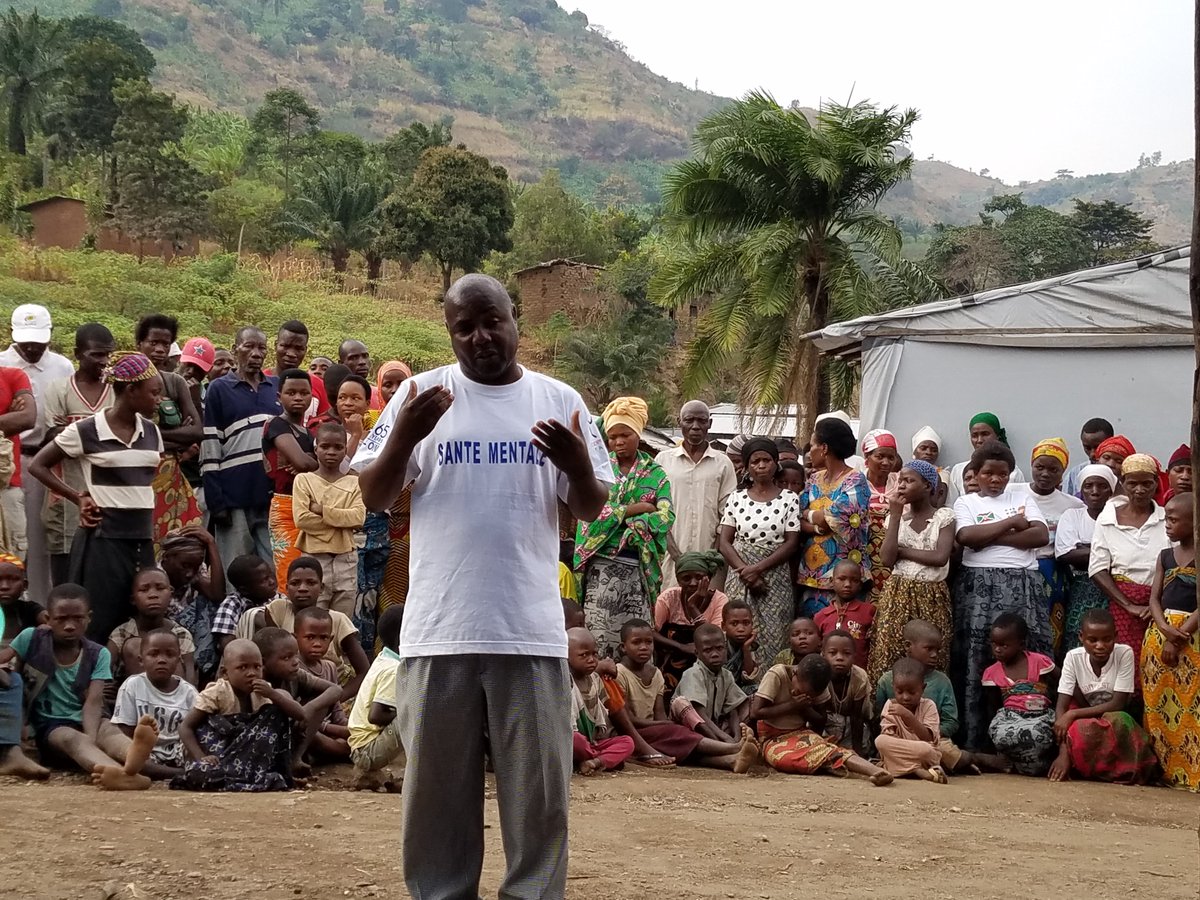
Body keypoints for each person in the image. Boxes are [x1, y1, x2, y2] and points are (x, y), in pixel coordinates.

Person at [351, 273, 611, 899]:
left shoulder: (558, 400)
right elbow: (376, 495)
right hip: (439, 632)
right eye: (463, 327)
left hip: (530, 633)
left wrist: (577, 466)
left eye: (491, 320)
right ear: (450, 331)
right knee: (437, 801)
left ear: (514, 319)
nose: (480, 337)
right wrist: (407, 435)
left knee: (539, 801)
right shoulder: (419, 395)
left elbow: (591, 507)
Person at [29, 352, 164, 643]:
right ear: (131, 391)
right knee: (102, 618)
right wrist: (78, 497)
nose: (159, 399)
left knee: (142, 619)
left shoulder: (152, 431)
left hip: (142, 538)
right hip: (105, 539)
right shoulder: (86, 430)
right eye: (154, 392)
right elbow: (37, 465)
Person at [951, 439, 1051, 750]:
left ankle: (1032, 737)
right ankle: (977, 741)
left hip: (1022, 585)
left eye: (1003, 474)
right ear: (976, 474)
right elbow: (967, 537)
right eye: (989, 474)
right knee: (976, 658)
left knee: (1024, 655)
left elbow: (1040, 534)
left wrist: (991, 538)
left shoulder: (1022, 496)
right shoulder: (965, 503)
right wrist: (1010, 525)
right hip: (977, 587)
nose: (996, 480)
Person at [0, 584, 149, 788]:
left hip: (89, 717)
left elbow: (94, 702)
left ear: (88, 618)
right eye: (61, 619)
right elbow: (4, 658)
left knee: (110, 732)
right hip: (51, 725)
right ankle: (117, 771)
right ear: (48, 619)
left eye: (77, 619)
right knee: (74, 739)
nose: (69, 625)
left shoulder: (98, 654)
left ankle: (133, 758)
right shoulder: (31, 638)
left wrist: (92, 736)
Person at [576, 396, 674, 658]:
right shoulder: (597, 470)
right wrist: (637, 509)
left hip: (638, 570)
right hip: (601, 568)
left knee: (636, 638)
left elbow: (665, 516)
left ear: (638, 435)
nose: (618, 441)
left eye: (625, 435)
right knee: (597, 635)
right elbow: (591, 514)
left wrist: (635, 525)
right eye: (612, 436)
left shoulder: (656, 474)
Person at [0, 304, 75, 598]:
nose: (32, 347)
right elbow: (18, 419)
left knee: (47, 539)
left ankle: (42, 605)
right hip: (12, 459)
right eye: (26, 340)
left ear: (51, 335)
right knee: (18, 537)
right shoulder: (3, 363)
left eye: (39, 340)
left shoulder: (62, 366)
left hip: (51, 458)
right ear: (11, 333)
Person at [172, 637, 306, 792]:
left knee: (276, 713)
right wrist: (201, 757)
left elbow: (300, 715)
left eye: (257, 667)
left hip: (244, 761)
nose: (251, 673)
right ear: (225, 673)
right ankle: (247, 779)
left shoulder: (263, 693)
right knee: (200, 774)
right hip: (216, 758)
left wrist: (273, 695)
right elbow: (185, 727)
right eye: (243, 668)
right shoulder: (217, 693)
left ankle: (246, 777)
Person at [875, 619, 1004, 773]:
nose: (934, 655)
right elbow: (879, 719)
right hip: (900, 741)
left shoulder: (942, 682)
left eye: (937, 650)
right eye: (928, 649)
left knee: (945, 751)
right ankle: (938, 767)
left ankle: (971, 758)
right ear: (908, 646)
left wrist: (932, 732)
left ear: (923, 688)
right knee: (882, 743)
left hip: (933, 740)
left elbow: (951, 721)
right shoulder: (887, 680)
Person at [869, 460, 955, 685]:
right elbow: (887, 559)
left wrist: (902, 551)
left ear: (927, 486)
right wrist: (896, 515)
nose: (901, 486)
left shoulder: (943, 518)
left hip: (932, 594)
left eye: (909, 480)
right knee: (892, 649)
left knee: (930, 654)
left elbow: (939, 557)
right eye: (900, 481)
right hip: (897, 593)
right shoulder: (895, 519)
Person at [40, 323, 115, 585]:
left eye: (108, 354)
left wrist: (75, 432)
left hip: (110, 496)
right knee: (65, 575)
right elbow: (52, 437)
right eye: (96, 355)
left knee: (103, 575)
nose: (104, 362)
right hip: (67, 495)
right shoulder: (59, 389)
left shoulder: (117, 389)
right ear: (77, 354)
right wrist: (101, 429)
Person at [616, 618, 745, 769]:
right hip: (632, 732)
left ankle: (731, 760)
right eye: (637, 642)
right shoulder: (619, 673)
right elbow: (629, 720)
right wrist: (667, 725)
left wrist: (665, 725)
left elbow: (660, 715)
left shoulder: (656, 673)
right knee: (677, 733)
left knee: (679, 744)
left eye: (649, 642)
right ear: (623, 647)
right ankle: (734, 748)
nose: (644, 647)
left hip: (655, 731)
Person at [747, 651, 892, 784]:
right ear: (795, 673)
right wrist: (793, 705)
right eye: (801, 691)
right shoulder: (777, 674)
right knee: (786, 760)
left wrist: (804, 708)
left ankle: (876, 771)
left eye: (811, 696)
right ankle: (830, 765)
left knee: (830, 749)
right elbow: (756, 712)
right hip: (772, 738)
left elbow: (821, 720)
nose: (806, 695)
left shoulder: (819, 685)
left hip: (801, 733)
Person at [201, 326, 280, 570]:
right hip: (234, 495)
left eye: (262, 348)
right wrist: (217, 501)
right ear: (236, 349)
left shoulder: (275, 387)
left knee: (274, 569)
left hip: (270, 495)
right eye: (249, 346)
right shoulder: (219, 389)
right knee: (236, 569)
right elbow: (211, 445)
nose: (256, 353)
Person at [1048, 609, 1159, 784]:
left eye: (1107, 639)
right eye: (1092, 640)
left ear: (1116, 636)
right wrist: (1063, 754)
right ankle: (1087, 768)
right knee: (1077, 729)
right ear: (1081, 637)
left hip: (1112, 715)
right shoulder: (1073, 658)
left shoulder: (1124, 653)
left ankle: (1119, 772)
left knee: (1120, 721)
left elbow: (1118, 704)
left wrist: (1073, 714)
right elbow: (1062, 707)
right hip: (1086, 717)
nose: (1100, 646)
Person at [717, 437, 801, 664]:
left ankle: (771, 688)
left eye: (767, 460)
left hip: (774, 576)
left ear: (776, 463)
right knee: (739, 630)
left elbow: (792, 542)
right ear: (746, 466)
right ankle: (738, 687)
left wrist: (758, 569)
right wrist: (746, 572)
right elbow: (724, 541)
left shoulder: (789, 498)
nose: (761, 466)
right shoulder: (737, 498)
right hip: (740, 575)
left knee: (776, 631)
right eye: (755, 461)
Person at [1089, 453, 1170, 681]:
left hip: (1164, 605)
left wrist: (1156, 603)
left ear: (1156, 484)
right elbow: (1097, 568)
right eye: (1132, 483)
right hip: (1123, 605)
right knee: (1127, 669)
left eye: (1147, 483)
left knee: (1161, 668)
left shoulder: (1167, 518)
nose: (1140, 490)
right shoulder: (1107, 520)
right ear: (1122, 483)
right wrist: (1129, 605)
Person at [1141, 492, 1199, 791]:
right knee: (1159, 704)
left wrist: (1179, 636)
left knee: (1192, 705)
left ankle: (1191, 773)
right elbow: (1154, 599)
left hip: (1192, 637)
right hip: (1160, 634)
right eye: (1167, 518)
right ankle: (1164, 770)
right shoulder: (1165, 555)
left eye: (1174, 520)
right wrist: (1164, 628)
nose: (1168, 525)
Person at [255, 557, 370, 702]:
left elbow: (364, 671)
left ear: (321, 588)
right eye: (295, 583)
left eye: (311, 583)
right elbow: (270, 657)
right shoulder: (278, 610)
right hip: (290, 693)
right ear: (286, 587)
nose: (302, 588)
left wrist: (336, 699)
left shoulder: (338, 620)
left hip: (333, 690)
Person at [357, 361, 412, 655]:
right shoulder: (370, 422)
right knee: (377, 595)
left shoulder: (425, 421)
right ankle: (381, 659)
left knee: (408, 595)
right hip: (378, 524)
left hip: (414, 525)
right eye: (387, 384)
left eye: (400, 383)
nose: (393, 390)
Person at [133, 315, 204, 543]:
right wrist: (176, 439)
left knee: (175, 545)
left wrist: (149, 434)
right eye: (153, 343)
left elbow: (196, 432)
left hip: (170, 478)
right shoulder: (124, 383)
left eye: (166, 344)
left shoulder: (175, 382)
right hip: (134, 476)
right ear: (139, 344)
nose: (160, 349)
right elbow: (125, 437)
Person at [654, 400, 737, 591]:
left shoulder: (723, 463)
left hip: (711, 561)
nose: (695, 427)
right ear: (679, 422)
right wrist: (676, 554)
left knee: (709, 613)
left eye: (701, 421)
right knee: (670, 610)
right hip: (670, 557)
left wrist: (711, 556)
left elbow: (728, 516)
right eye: (689, 420)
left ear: (710, 423)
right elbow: (657, 512)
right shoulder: (663, 460)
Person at [797, 417, 871, 617]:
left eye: (812, 445)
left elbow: (836, 518)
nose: (810, 450)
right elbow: (796, 516)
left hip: (844, 577)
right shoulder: (813, 479)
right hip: (811, 575)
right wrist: (817, 525)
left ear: (824, 448)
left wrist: (809, 514)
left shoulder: (855, 480)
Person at [292, 422, 366, 617]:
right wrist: (341, 522)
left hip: (346, 560)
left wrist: (321, 510)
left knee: (342, 622)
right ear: (316, 449)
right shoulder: (304, 480)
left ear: (345, 450)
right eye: (325, 447)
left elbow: (358, 517)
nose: (331, 452)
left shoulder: (355, 482)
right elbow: (302, 519)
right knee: (312, 619)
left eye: (338, 447)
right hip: (314, 559)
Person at [1021, 438, 1085, 656]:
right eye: (1039, 467)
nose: (1045, 474)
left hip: (1053, 572)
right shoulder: (1014, 493)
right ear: (1031, 465)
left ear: (1063, 472)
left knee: (1052, 627)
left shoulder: (1074, 505)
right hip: (1019, 569)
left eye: (1053, 469)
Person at [110, 629, 200, 780]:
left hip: (178, 750)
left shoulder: (190, 693)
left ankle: (160, 773)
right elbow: (125, 730)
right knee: (133, 756)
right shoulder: (132, 685)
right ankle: (181, 774)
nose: (162, 660)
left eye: (169, 655)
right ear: (141, 660)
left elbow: (195, 732)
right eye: (154, 654)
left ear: (179, 660)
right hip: (146, 752)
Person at [255, 626, 343, 772]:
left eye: (296, 655)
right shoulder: (256, 683)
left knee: (320, 700)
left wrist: (309, 708)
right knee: (283, 696)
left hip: (295, 732)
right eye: (286, 658)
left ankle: (296, 758)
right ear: (263, 663)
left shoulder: (295, 674)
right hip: (263, 743)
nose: (295, 662)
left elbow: (336, 689)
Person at [982, 613, 1058, 776]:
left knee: (1037, 733)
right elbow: (994, 705)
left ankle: (1037, 764)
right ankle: (1013, 761)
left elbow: (1064, 683)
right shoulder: (991, 673)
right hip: (1010, 716)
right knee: (1000, 733)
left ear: (1021, 644)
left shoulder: (1039, 662)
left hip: (1039, 715)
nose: (997, 649)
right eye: (994, 644)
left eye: (1004, 645)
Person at [262, 369, 318, 588]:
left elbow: (311, 464)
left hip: (309, 507)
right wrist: (312, 461)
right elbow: (302, 463)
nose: (297, 397)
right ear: (279, 396)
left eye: (303, 393)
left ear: (311, 396)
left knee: (311, 573)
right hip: (285, 506)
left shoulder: (307, 433)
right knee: (290, 576)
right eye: (291, 392)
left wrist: (310, 461)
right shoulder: (276, 425)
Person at [1056, 465, 1117, 653]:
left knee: (1113, 637)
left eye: (1102, 486)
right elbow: (1066, 555)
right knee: (1078, 634)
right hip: (1082, 586)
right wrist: (1110, 550)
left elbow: (1129, 553)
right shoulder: (1072, 515)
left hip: (1117, 588)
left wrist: (1085, 548)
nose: (1095, 492)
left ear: (1112, 490)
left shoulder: (1120, 516)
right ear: (1081, 490)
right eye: (1089, 486)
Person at [652, 549, 728, 696]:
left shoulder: (720, 600)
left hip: (705, 663)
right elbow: (649, 631)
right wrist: (681, 647)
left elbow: (712, 640)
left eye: (699, 577)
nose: (693, 583)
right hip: (670, 662)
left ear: (709, 578)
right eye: (686, 578)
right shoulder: (669, 597)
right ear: (678, 580)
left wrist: (693, 607)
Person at [347, 605, 406, 791]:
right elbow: (376, 715)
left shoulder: (384, 657)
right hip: (367, 751)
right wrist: (404, 712)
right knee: (418, 713)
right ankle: (420, 774)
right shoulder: (393, 670)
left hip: (363, 747)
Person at [107, 567, 196, 686]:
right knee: (134, 646)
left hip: (173, 700)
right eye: (144, 590)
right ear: (133, 599)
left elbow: (190, 677)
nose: (153, 595)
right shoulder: (123, 632)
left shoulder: (181, 634)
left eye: (160, 588)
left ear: (171, 594)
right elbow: (104, 671)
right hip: (135, 698)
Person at [567, 627, 636, 775]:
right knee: (574, 739)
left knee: (627, 742)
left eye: (595, 654)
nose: (592, 660)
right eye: (584, 655)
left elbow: (605, 714)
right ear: (566, 657)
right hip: (572, 743)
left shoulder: (595, 680)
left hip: (592, 744)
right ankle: (603, 760)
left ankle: (593, 762)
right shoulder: (564, 683)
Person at [669, 623, 750, 743]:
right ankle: (724, 746)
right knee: (681, 704)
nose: (715, 654)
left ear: (725, 649)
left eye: (719, 648)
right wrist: (724, 738)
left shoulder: (726, 675)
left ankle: (732, 746)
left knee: (751, 702)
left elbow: (731, 710)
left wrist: (736, 737)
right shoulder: (693, 673)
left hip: (715, 727)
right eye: (708, 650)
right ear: (697, 653)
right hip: (691, 729)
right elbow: (699, 713)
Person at [876, 657, 947, 783]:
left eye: (912, 692)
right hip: (900, 753)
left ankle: (894, 769)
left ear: (923, 688)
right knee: (880, 741)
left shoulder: (928, 705)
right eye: (900, 692)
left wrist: (908, 716)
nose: (905, 697)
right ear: (893, 687)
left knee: (926, 750)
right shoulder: (890, 705)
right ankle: (917, 770)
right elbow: (888, 738)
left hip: (923, 753)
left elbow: (928, 738)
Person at [947, 412, 1025, 503]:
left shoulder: (1013, 472)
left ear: (997, 436)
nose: (979, 440)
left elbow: (1020, 503)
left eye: (985, 434)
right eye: (974, 435)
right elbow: (951, 504)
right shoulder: (958, 470)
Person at [211, 554, 281, 652]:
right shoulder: (232, 604)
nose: (272, 581)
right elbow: (227, 645)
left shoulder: (278, 598)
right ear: (244, 590)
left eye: (271, 575)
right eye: (264, 580)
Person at [860, 428, 901, 599]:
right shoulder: (856, 483)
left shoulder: (901, 482)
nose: (886, 462)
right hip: (863, 555)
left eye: (891, 457)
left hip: (893, 555)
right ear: (867, 458)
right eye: (880, 456)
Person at [813, 560, 875, 670]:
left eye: (854, 580)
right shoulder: (820, 616)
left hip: (858, 676)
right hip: (827, 677)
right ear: (832, 581)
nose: (847, 584)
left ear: (860, 585)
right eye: (841, 579)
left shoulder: (869, 611)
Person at [820, 630, 871, 756]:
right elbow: (818, 716)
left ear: (854, 656)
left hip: (851, 724)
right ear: (823, 655)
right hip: (825, 723)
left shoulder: (859, 677)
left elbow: (857, 717)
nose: (839, 658)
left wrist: (857, 752)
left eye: (846, 653)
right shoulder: (818, 675)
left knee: (862, 747)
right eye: (833, 653)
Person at [269, 321, 329, 422]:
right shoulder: (260, 381)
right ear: (276, 345)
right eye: (286, 346)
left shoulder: (318, 385)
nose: (291, 353)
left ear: (305, 350)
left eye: (298, 348)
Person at [1063, 418, 1114, 497]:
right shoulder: (1074, 475)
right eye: (1087, 448)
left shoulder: (1121, 473)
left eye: (1097, 447)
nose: (1092, 454)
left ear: (1111, 443)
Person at [721, 599, 759, 695]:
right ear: (723, 626)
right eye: (734, 624)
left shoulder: (752, 644)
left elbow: (749, 679)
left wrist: (746, 649)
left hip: (738, 689)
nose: (741, 629)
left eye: (746, 623)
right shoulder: (718, 643)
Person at [332, 375, 372, 460]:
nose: (348, 403)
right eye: (342, 397)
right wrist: (355, 435)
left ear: (367, 404)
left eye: (355, 398)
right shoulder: (327, 435)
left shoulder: (375, 438)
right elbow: (339, 468)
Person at [338, 339, 385, 412]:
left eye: (365, 356)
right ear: (341, 364)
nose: (362, 362)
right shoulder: (335, 395)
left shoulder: (379, 395)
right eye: (353, 358)